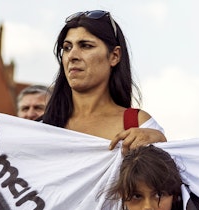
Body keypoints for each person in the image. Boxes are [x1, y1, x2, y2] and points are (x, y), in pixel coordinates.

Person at [43, 11, 166, 153]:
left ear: (114, 56)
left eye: (86, 46)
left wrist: (161, 144)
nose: (72, 56)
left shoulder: (139, 124)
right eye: (67, 48)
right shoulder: (41, 127)